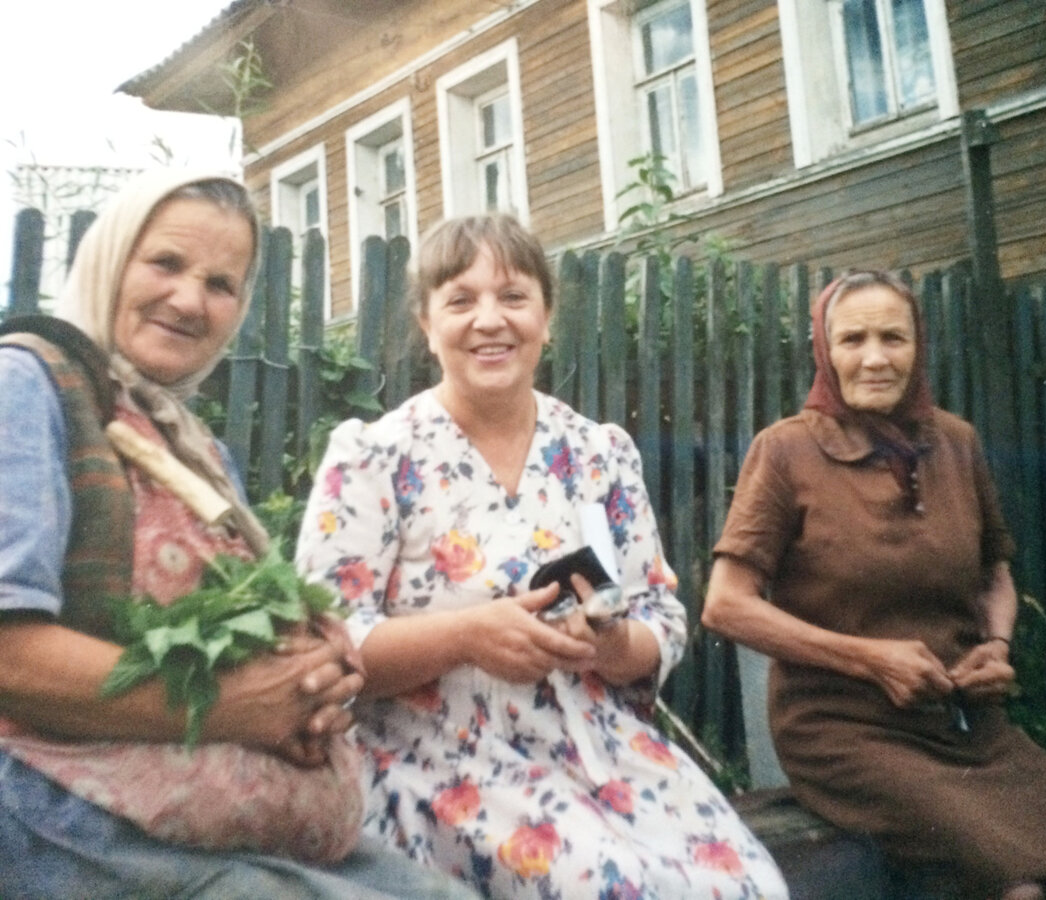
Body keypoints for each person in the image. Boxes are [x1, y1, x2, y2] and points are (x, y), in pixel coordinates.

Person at [0, 169, 476, 900]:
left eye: (222, 284)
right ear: (110, 257)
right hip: (62, 818)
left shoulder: (195, 449)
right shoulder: (26, 386)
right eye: (164, 263)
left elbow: (259, 633)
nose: (190, 299)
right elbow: (9, 658)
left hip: (200, 810)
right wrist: (234, 706)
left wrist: (322, 670)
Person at [295, 214, 787, 899]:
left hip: (601, 747)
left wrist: (610, 642)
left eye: (514, 297)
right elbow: (322, 651)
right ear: (427, 323)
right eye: (461, 300)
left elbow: (660, 618)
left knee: (749, 886)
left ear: (547, 318)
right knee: (607, 888)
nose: (489, 320)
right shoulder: (375, 457)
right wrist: (467, 635)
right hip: (435, 758)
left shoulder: (599, 454)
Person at [702, 270, 1046, 899]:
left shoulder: (955, 442)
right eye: (853, 340)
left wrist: (996, 645)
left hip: (963, 723)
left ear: (918, 347)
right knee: (1016, 891)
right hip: (843, 729)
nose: (875, 358)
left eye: (893, 338)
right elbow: (725, 607)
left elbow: (996, 575)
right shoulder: (786, 451)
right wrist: (870, 659)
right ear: (825, 352)